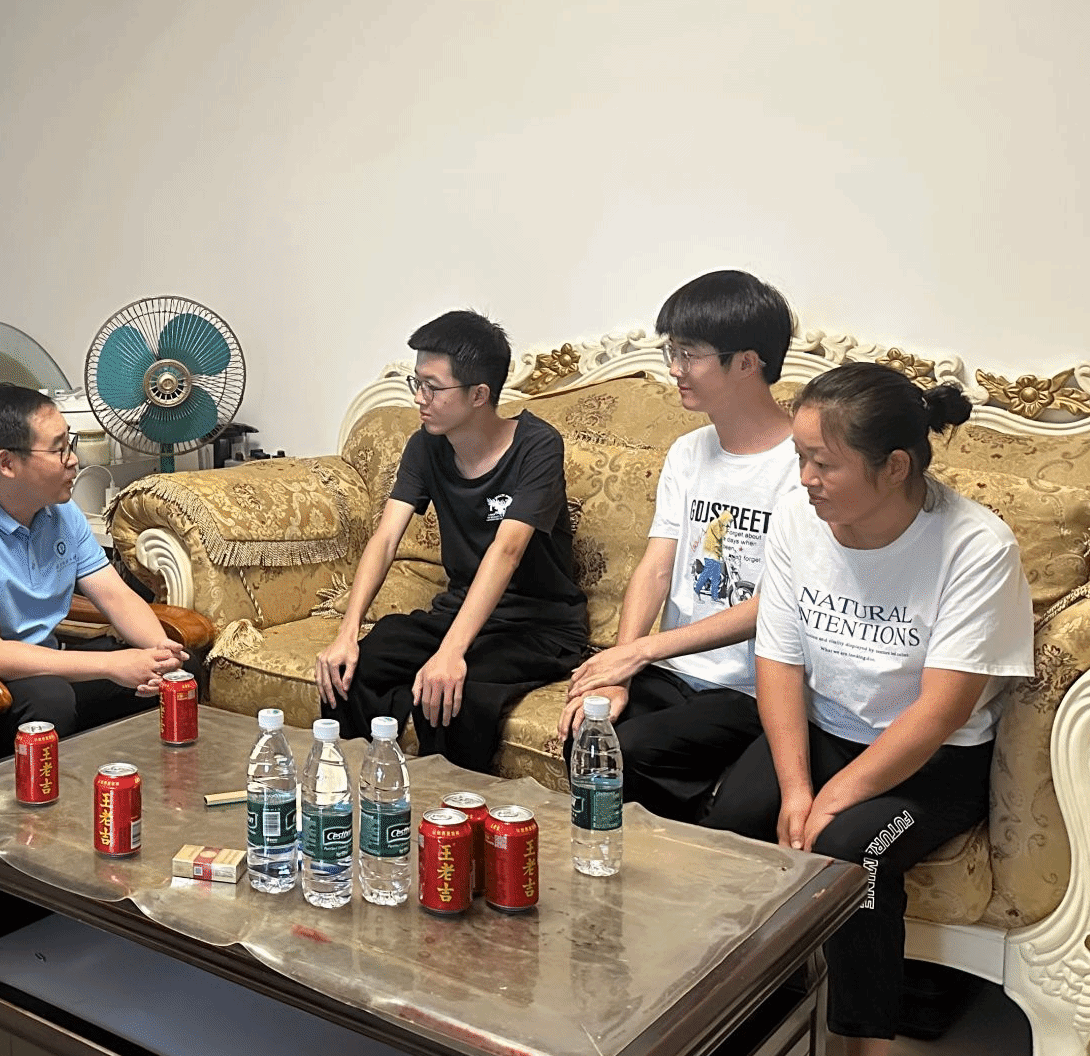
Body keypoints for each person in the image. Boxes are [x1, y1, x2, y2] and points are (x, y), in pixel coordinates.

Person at [705, 363, 1033, 1056]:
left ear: (894, 467)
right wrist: (793, 785)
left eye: (823, 462)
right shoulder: (800, 521)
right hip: (823, 731)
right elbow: (779, 661)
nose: (804, 479)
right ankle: (743, 1022)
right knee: (731, 817)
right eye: (801, 458)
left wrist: (837, 796)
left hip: (931, 757)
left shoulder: (975, 547)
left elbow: (942, 708)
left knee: (853, 856)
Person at [557, 271, 800, 820]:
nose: (674, 369)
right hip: (671, 672)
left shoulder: (804, 467)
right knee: (588, 737)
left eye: (689, 354)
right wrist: (621, 666)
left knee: (635, 751)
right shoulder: (688, 452)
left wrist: (642, 652)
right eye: (673, 351)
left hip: (749, 687)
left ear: (747, 362)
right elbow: (657, 568)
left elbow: (778, 606)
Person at [317, 310, 586, 771]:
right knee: (357, 667)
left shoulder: (537, 445)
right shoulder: (426, 445)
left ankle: (448, 811)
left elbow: (507, 550)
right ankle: (361, 792)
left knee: (454, 693)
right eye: (416, 383)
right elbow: (385, 538)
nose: (419, 398)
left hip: (537, 627)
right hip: (459, 611)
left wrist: (450, 652)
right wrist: (347, 633)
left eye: (432, 387)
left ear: (478, 394)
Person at [0, 383, 189, 759]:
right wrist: (112, 664)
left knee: (168, 676)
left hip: (42, 668)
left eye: (70, 444)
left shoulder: (61, 511)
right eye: (59, 450)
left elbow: (115, 596)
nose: (73, 460)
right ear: (7, 463)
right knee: (52, 698)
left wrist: (160, 655)